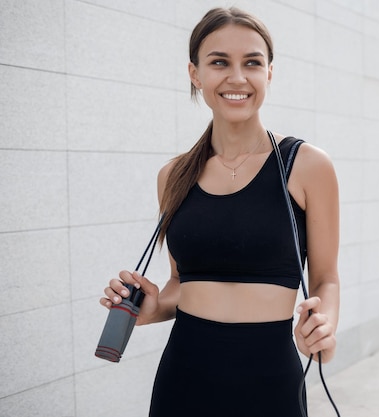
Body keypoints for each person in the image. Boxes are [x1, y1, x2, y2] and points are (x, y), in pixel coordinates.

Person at [99, 6, 340, 416]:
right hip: (184, 377)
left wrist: (324, 328)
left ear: (269, 73)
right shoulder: (173, 175)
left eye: (252, 62)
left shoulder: (308, 166)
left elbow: (325, 279)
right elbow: (181, 282)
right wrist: (155, 307)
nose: (237, 77)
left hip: (271, 380)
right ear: (195, 73)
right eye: (219, 62)